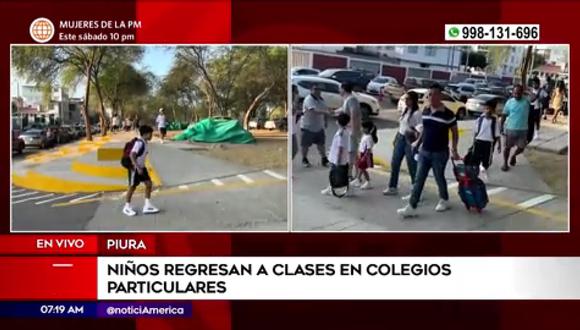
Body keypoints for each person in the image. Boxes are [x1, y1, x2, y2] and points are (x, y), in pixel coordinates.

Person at [397, 83, 460, 218]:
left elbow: (455, 133)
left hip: (440, 152)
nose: (431, 97)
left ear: (441, 96)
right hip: (424, 151)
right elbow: (425, 130)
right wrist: (417, 143)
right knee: (419, 179)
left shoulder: (448, 114)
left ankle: (444, 199)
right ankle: (411, 206)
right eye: (429, 94)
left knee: (439, 177)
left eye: (434, 94)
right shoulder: (425, 110)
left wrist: (454, 149)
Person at [383, 91, 422, 196]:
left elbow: (420, 130)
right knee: (395, 162)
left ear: (413, 100)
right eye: (405, 99)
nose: (406, 101)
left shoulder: (417, 113)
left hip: (409, 139)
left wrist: (416, 142)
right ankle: (392, 186)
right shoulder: (406, 110)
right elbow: (401, 126)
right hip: (400, 137)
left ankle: (416, 189)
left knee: (411, 165)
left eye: (408, 99)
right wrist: (396, 138)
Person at [123, 125, 159, 217]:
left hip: (142, 167)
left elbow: (142, 156)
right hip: (135, 168)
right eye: (151, 134)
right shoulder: (139, 143)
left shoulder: (145, 142)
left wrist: (143, 167)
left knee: (148, 184)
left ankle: (147, 205)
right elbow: (132, 155)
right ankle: (126, 207)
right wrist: (137, 167)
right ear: (146, 134)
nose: (152, 136)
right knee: (132, 187)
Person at [469, 99, 501, 180]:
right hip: (478, 141)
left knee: (486, 160)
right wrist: (473, 143)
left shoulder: (495, 120)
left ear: (493, 110)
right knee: (475, 159)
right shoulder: (480, 119)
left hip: (489, 143)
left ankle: (484, 168)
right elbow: (476, 132)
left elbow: (497, 134)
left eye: (490, 109)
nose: (488, 111)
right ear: (484, 109)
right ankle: (475, 175)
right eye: (486, 109)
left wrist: (499, 145)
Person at [500, 85, 530, 172]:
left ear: (522, 93)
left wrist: (528, 91)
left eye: (519, 93)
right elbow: (504, 115)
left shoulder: (527, 101)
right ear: (512, 93)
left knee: (521, 148)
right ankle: (505, 163)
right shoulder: (509, 102)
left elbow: (534, 98)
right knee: (507, 147)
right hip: (510, 129)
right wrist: (501, 127)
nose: (517, 95)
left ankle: (514, 156)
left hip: (523, 130)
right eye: (515, 93)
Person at [335, 82, 362, 178]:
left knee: (352, 153)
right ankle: (356, 175)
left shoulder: (351, 100)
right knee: (352, 153)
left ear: (343, 89)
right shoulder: (347, 99)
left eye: (340, 88)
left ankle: (351, 174)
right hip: (349, 130)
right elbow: (343, 109)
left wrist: (353, 132)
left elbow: (353, 114)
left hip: (352, 130)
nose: (339, 90)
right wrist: (334, 112)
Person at [321, 113, 352, 196]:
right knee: (342, 174)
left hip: (338, 159)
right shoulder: (343, 131)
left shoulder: (342, 134)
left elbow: (340, 148)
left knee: (334, 174)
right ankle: (342, 189)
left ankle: (332, 188)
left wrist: (337, 160)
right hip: (340, 158)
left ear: (338, 122)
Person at [301, 84, 330, 167]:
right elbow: (313, 110)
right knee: (305, 145)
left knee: (321, 144)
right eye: (315, 89)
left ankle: (324, 159)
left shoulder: (321, 99)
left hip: (319, 126)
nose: (317, 91)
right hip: (308, 126)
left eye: (319, 90)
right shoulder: (308, 99)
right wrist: (325, 112)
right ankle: (304, 159)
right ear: (311, 90)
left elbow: (325, 109)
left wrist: (326, 121)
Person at [351, 121, 378, 190]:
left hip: (366, 155)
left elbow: (368, 149)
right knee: (361, 168)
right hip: (363, 154)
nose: (361, 129)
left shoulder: (369, 137)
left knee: (363, 168)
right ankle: (358, 179)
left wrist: (364, 157)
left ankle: (367, 181)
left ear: (367, 129)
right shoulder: (365, 136)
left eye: (363, 128)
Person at [527, 78, 545, 142]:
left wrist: (541, 99)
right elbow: (530, 98)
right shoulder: (531, 90)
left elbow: (546, 98)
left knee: (537, 121)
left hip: (538, 108)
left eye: (535, 84)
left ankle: (536, 134)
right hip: (531, 107)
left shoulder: (541, 91)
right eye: (533, 83)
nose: (534, 85)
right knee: (529, 121)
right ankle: (529, 133)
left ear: (538, 84)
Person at [291, 85, 301, 160]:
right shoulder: (292, 104)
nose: (298, 93)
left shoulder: (293, 103)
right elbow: (293, 111)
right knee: (294, 149)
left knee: (295, 150)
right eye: (296, 91)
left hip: (293, 130)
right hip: (291, 132)